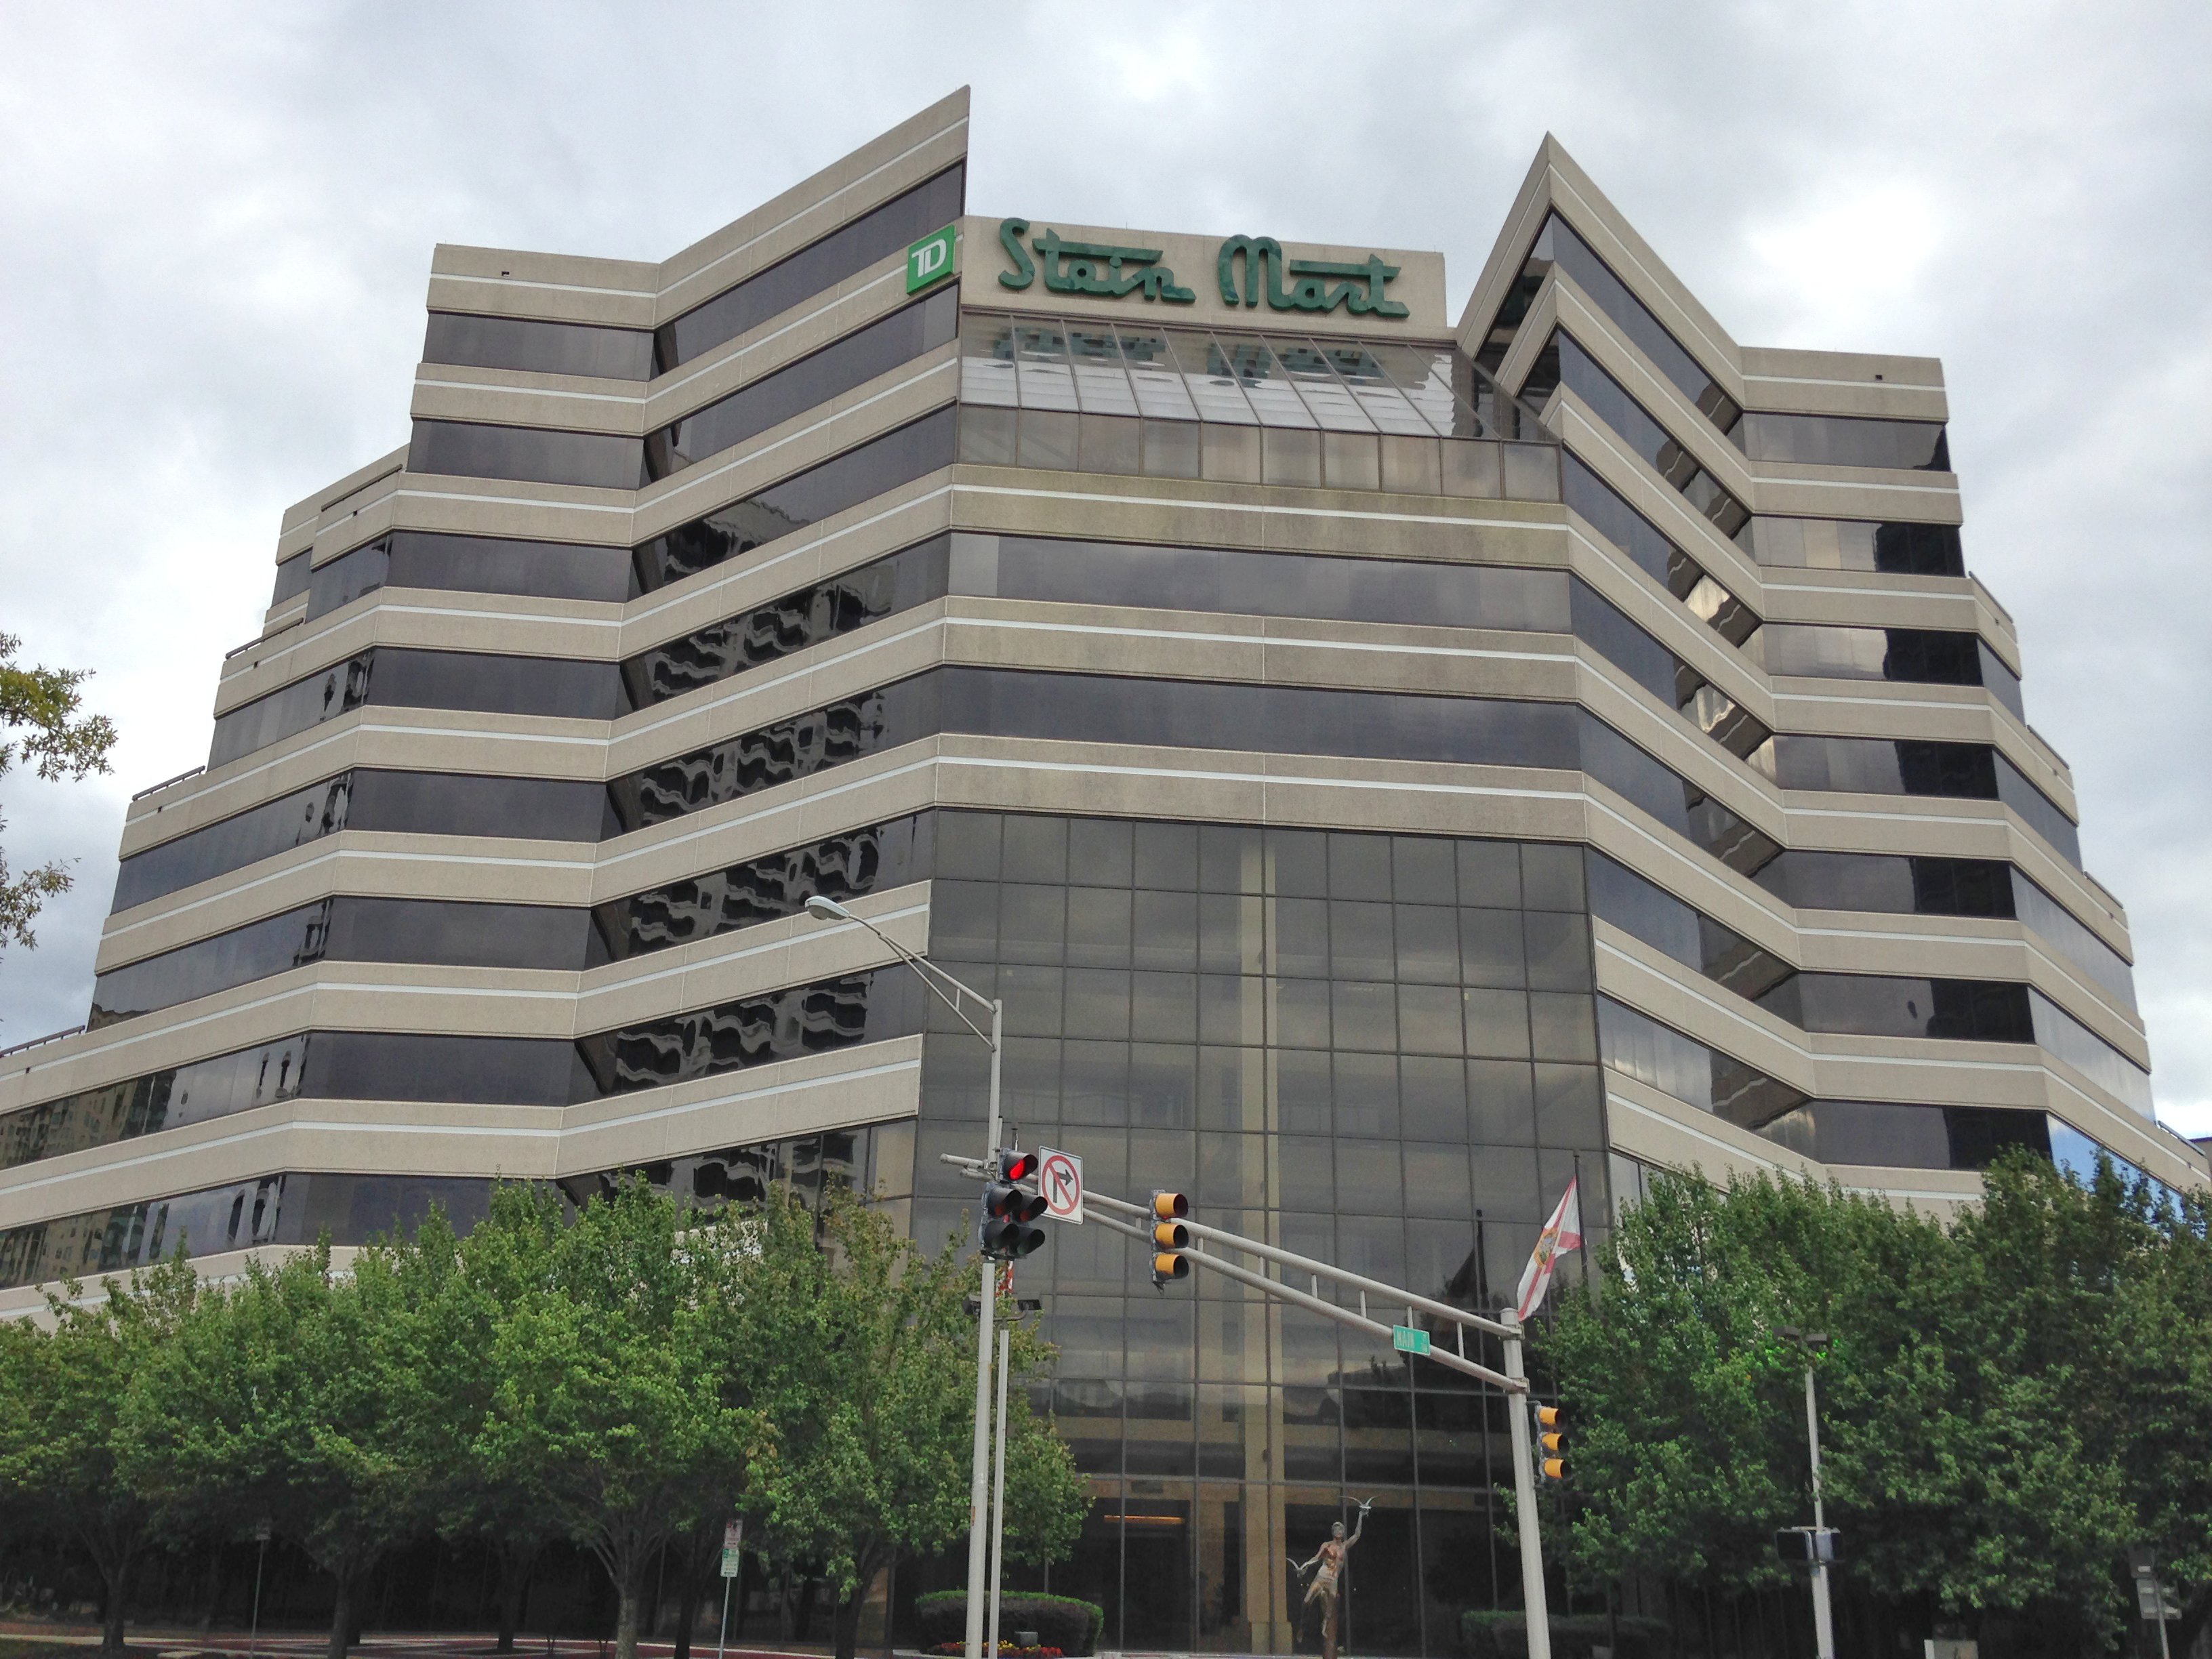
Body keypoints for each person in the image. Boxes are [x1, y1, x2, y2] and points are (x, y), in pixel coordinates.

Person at [1292, 1499, 1371, 1659]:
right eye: (1336, 1528)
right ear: (1332, 1532)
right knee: (1307, 1601)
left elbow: (1357, 1535)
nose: (1338, 1530)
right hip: (1322, 1576)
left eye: (1340, 1528)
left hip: (1333, 1579)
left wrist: (1361, 1515)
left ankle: (1324, 1628)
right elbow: (1315, 1558)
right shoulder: (1327, 1545)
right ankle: (1302, 1627)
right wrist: (1304, 1567)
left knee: (1333, 1601)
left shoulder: (1345, 1546)